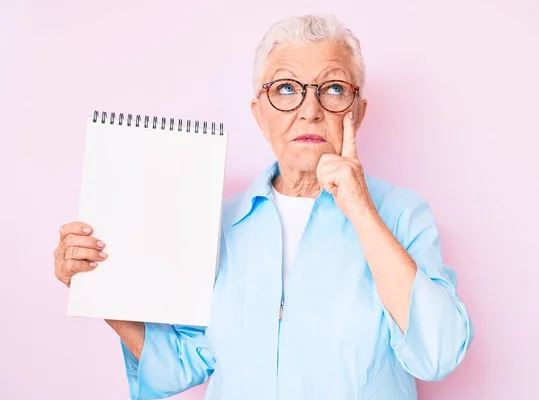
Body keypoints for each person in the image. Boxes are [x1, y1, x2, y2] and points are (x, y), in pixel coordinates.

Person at [53, 14, 473, 400]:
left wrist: (361, 211)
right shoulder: (220, 223)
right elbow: (182, 364)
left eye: (333, 89)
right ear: (259, 114)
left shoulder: (401, 214)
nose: (310, 111)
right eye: (286, 89)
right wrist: (97, 287)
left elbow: (437, 354)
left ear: (358, 113)